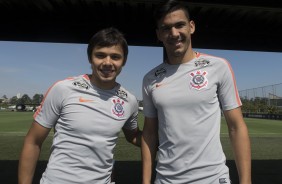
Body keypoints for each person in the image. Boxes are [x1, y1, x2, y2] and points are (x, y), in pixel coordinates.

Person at [141, 0, 252, 184]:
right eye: (166, 28)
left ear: (191, 27)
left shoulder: (218, 67)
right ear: (159, 34)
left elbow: (236, 127)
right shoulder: (150, 78)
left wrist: (246, 181)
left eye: (179, 25)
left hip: (213, 178)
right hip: (166, 179)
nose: (174, 33)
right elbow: (150, 134)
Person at [18, 27, 142, 184]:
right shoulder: (63, 89)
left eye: (115, 57)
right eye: (100, 55)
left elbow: (134, 136)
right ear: (90, 58)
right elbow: (33, 141)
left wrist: (169, 142)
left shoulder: (129, 100)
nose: (107, 62)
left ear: (124, 61)